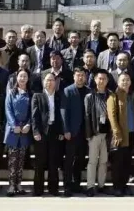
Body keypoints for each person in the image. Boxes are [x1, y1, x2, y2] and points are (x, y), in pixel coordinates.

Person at [32, 72, 64, 196]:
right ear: (43, 82)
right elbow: (34, 116)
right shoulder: (37, 96)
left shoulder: (59, 96)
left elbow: (62, 116)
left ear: (55, 82)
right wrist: (35, 131)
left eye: (52, 80)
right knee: (40, 162)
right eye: (47, 80)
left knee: (53, 162)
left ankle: (53, 189)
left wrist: (61, 131)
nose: (49, 82)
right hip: (41, 132)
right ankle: (38, 189)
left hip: (55, 132)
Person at [4, 69, 32, 197]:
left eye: (25, 76)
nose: (22, 78)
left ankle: (19, 184)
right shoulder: (11, 93)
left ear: (28, 78)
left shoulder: (30, 94)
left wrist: (28, 124)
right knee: (12, 159)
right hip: (13, 130)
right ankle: (11, 185)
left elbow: (33, 111)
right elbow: (8, 110)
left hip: (25, 130)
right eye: (20, 76)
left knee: (21, 159)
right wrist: (13, 125)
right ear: (17, 78)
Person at [108, 72, 134, 196]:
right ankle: (117, 187)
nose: (125, 82)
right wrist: (116, 132)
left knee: (127, 162)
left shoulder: (132, 95)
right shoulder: (113, 96)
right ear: (118, 82)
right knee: (118, 163)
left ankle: (124, 185)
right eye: (122, 80)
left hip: (131, 133)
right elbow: (112, 116)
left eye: (127, 80)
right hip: (119, 135)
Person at [84, 70, 112, 196]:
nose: (101, 81)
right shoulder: (89, 96)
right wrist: (88, 135)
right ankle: (90, 186)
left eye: (104, 79)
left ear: (107, 80)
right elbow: (87, 116)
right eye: (99, 78)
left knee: (104, 161)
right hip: (94, 134)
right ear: (95, 80)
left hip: (107, 134)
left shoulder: (111, 95)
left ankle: (101, 185)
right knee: (92, 161)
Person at [61, 68, 87, 196]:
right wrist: (66, 130)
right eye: (78, 75)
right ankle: (67, 185)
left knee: (80, 159)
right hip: (71, 132)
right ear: (74, 76)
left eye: (82, 75)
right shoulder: (68, 90)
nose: (80, 77)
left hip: (85, 132)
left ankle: (77, 184)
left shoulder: (89, 91)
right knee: (69, 160)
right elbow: (64, 111)